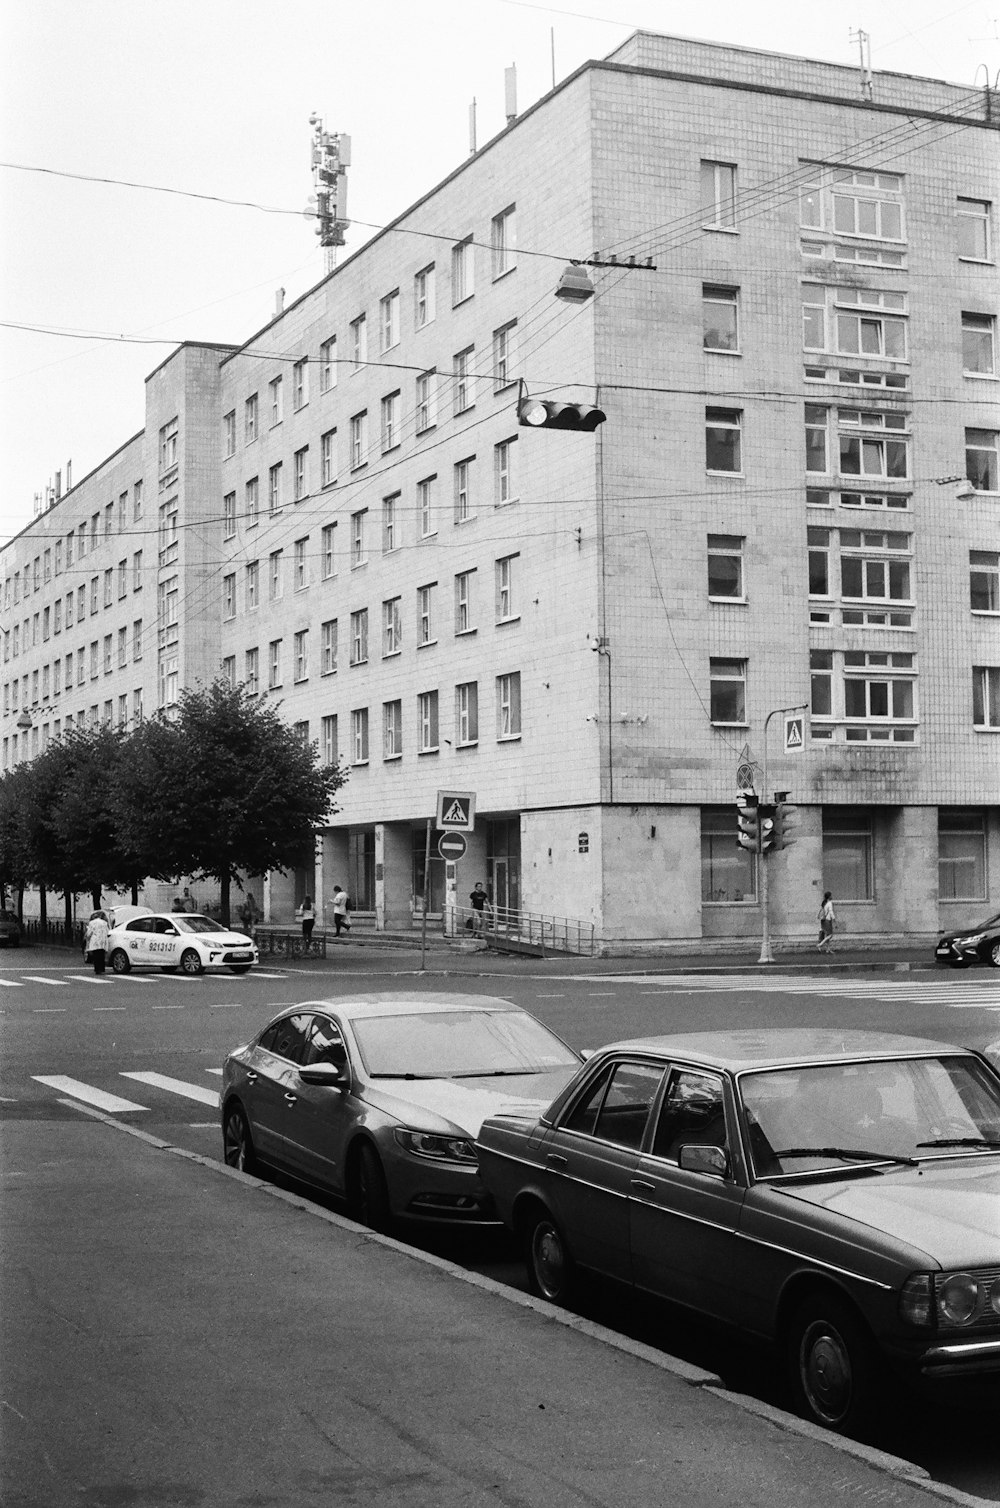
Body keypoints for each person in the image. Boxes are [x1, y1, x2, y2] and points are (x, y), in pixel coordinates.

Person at [84, 910, 110, 975]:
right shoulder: (104, 923)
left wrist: (87, 937)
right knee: (101, 955)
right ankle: (102, 969)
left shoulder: (92, 923)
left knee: (96, 956)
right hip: (102, 941)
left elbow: (89, 933)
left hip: (95, 941)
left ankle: (97, 969)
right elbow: (107, 931)